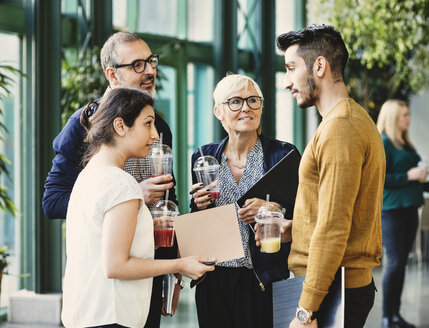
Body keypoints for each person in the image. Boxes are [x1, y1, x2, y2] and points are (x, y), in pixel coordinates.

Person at [42, 32, 178, 327]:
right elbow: (52, 202)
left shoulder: (159, 124)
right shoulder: (83, 125)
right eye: (138, 65)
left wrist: (172, 272)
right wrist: (128, 198)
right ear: (112, 75)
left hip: (147, 273)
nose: (150, 71)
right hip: (104, 286)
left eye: (151, 62)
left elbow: (168, 201)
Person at [61, 87, 215, 328]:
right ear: (121, 126)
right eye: (148, 124)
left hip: (85, 315)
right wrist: (180, 265)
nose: (155, 135)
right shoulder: (122, 183)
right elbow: (116, 265)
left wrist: (145, 225)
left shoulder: (89, 175)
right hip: (112, 318)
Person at [276, 24, 386, 328]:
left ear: (320, 66)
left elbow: (334, 226)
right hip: (332, 284)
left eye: (291, 68)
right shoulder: (346, 120)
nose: (287, 82)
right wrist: (297, 228)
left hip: (330, 290)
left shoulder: (341, 128)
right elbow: (335, 212)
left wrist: (305, 309)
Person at [189, 73, 300, 327]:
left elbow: (305, 213)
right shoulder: (204, 156)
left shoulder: (284, 155)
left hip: (263, 279)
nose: (246, 108)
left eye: (253, 100)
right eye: (235, 102)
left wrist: (275, 209)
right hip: (214, 280)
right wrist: (198, 205)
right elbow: (197, 221)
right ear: (219, 111)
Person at [377, 100, 428, 328]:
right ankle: (387, 316)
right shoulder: (384, 143)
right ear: (393, 118)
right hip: (392, 212)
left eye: (408, 114)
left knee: (402, 263)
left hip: (410, 209)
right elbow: (380, 179)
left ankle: (396, 313)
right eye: (404, 115)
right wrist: (409, 176)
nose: (408, 119)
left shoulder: (405, 144)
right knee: (395, 263)